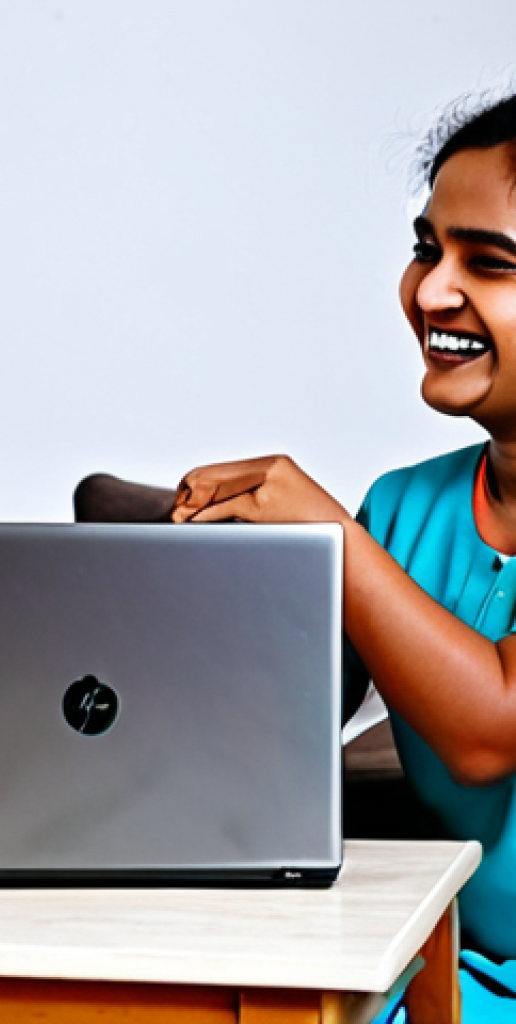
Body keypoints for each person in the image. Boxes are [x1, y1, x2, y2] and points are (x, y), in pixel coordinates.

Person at [172, 91, 516, 1020]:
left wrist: (328, 533)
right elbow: (255, 739)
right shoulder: (406, 506)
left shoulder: (361, 532)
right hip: (441, 974)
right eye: (425, 249)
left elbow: (490, 731)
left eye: (488, 264)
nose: (432, 291)